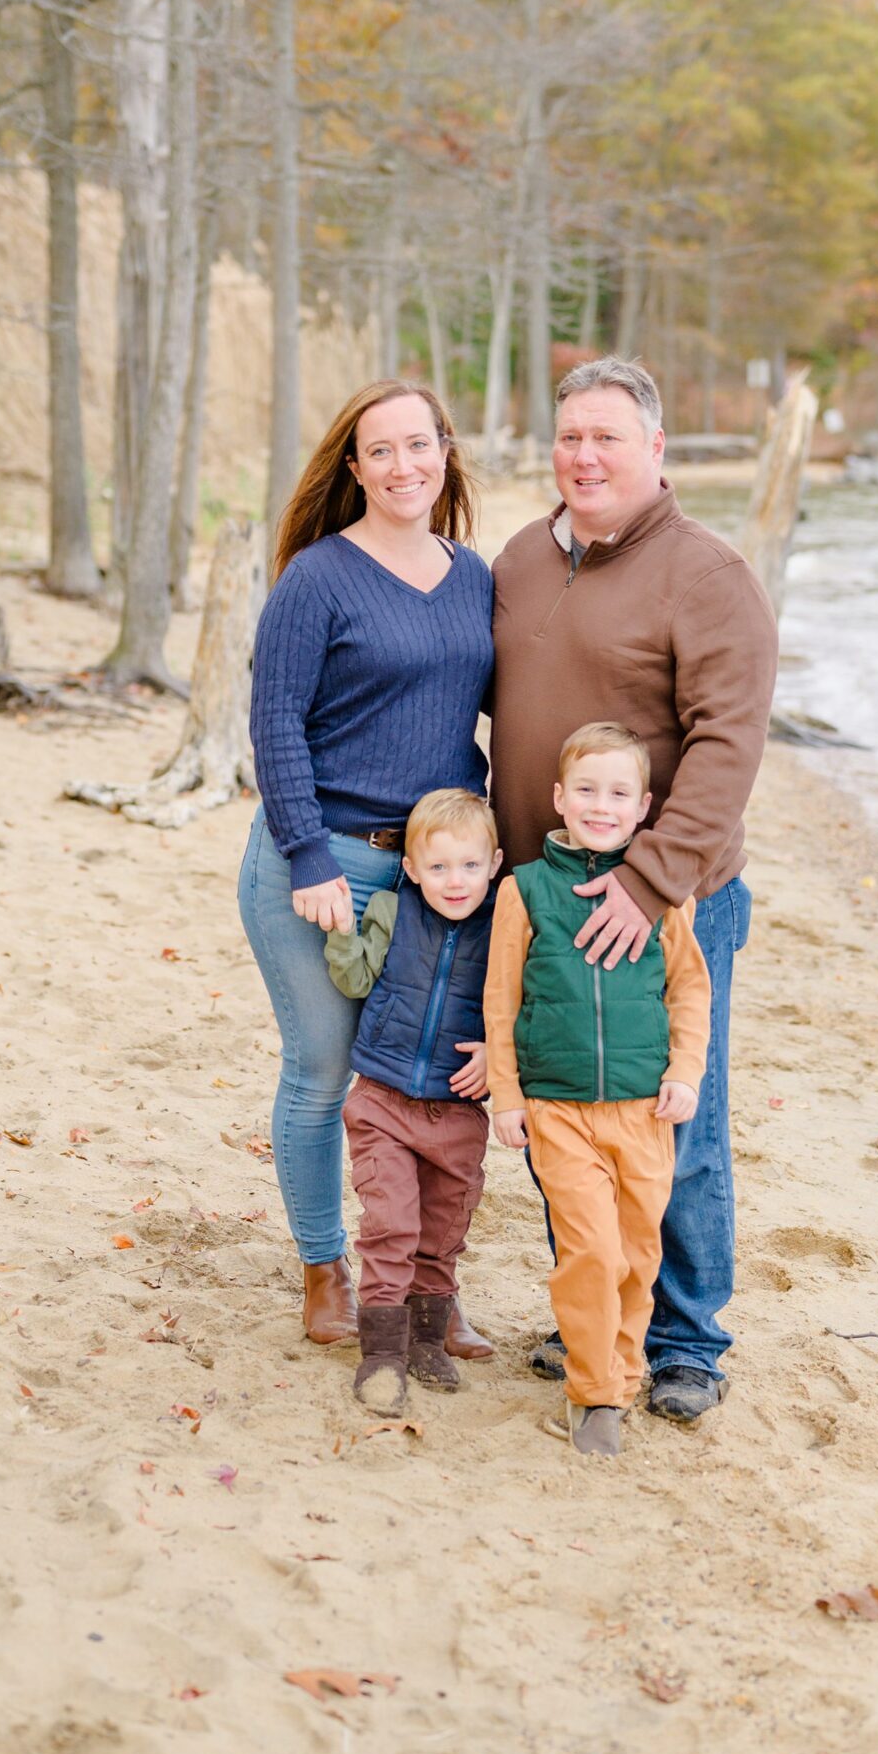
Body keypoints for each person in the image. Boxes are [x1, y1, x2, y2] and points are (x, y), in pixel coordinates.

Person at [490, 357, 777, 1423]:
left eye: (608, 436)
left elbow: (728, 744)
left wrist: (649, 882)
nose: (585, 454)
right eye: (570, 435)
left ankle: (684, 1339)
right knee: (564, 1111)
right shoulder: (522, 556)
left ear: (654, 450)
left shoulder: (707, 576)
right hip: (542, 897)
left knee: (672, 1118)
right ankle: (594, 1315)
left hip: (660, 903)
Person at [240, 380, 498, 1360]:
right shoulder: (317, 577)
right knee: (322, 1070)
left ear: (445, 451)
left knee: (435, 1084)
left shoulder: (473, 575)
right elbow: (274, 725)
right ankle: (324, 1268)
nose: (402, 466)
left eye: (417, 446)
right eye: (378, 450)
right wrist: (307, 853)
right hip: (324, 865)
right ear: (351, 467)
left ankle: (430, 1286)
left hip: (439, 880)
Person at [485, 725, 712, 1457]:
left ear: (643, 806)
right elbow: (499, 1000)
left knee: (636, 1255)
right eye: (585, 789)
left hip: (644, 1108)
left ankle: (620, 1367)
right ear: (558, 797)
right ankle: (593, 1396)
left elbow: (689, 991)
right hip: (557, 1107)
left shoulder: (661, 898)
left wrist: (683, 1073)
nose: (600, 805)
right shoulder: (523, 890)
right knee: (587, 1249)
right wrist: (506, 1094)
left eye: (617, 793)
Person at [324, 787, 502, 1415]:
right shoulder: (393, 911)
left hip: (458, 1110)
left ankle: (428, 1339)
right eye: (438, 867)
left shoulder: (505, 929)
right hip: (384, 1099)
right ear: (411, 869)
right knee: (391, 1225)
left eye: (470, 865)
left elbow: (520, 1006)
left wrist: (497, 1056)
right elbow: (354, 977)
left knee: (442, 1231)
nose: (455, 882)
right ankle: (381, 1353)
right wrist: (344, 931)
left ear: (496, 862)